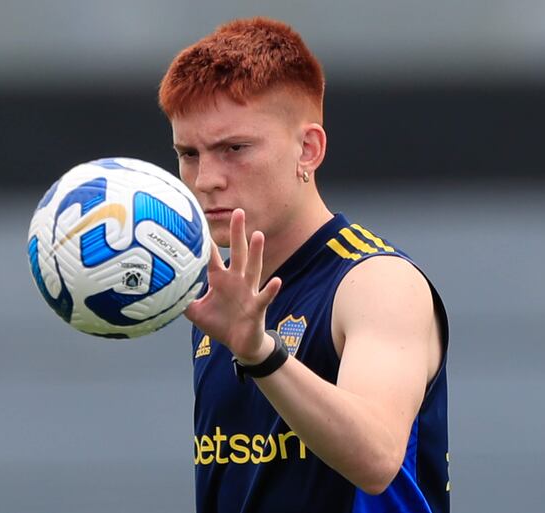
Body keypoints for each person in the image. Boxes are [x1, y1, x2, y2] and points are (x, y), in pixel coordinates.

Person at [158, 17, 450, 513]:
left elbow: (379, 458)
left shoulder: (377, 282)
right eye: (189, 154)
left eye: (234, 149)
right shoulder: (223, 295)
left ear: (308, 149)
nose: (205, 179)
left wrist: (260, 355)